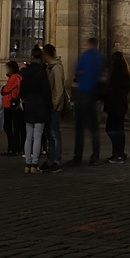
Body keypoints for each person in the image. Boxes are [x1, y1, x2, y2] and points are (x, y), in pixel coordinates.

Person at [71, 36, 104, 166]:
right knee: (94, 128)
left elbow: (77, 72)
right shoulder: (99, 57)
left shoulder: (85, 56)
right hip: (93, 95)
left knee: (80, 128)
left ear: (88, 44)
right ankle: (95, 156)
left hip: (83, 93)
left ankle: (78, 157)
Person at [19, 47, 52, 174]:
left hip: (29, 104)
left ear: (32, 56)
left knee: (29, 136)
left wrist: (24, 99)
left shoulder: (26, 71)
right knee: (38, 137)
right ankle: (34, 164)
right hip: (40, 105)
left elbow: (23, 89)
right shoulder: (42, 71)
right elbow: (45, 91)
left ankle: (27, 163)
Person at [41, 44, 66, 173]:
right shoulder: (50, 68)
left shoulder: (56, 68)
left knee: (55, 134)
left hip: (54, 107)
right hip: (50, 106)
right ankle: (50, 160)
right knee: (50, 134)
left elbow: (58, 90)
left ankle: (56, 161)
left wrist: (55, 106)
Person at [104, 51, 130, 163]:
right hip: (120, 104)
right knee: (117, 129)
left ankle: (118, 154)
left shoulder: (117, 72)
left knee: (113, 129)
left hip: (115, 105)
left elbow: (113, 89)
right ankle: (117, 152)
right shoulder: (124, 72)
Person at [0, 61, 23, 155]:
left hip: (9, 104)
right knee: (11, 127)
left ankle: (12, 148)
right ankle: (13, 148)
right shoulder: (18, 77)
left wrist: (3, 89)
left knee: (7, 127)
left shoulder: (13, 77)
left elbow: (5, 90)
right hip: (12, 103)